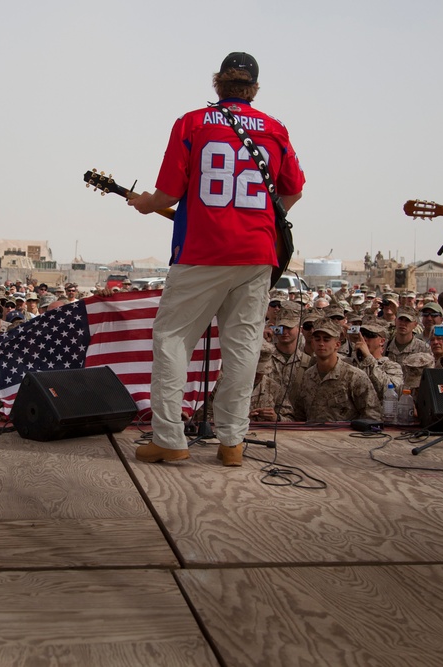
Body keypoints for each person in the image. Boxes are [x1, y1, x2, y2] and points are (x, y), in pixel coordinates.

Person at [128, 51, 305, 466]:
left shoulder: (191, 123)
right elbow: (293, 191)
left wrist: (145, 204)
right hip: (256, 252)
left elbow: (169, 195)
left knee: (172, 340)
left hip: (201, 252)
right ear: (254, 89)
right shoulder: (276, 130)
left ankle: (170, 439)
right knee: (242, 347)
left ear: (217, 85)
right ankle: (232, 443)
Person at [292, 318, 381, 423]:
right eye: (317, 339)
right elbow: (300, 416)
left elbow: (373, 417)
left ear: (337, 345)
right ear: (312, 343)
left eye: (326, 339)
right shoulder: (308, 376)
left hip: (345, 437)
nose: (321, 343)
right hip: (310, 436)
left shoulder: (355, 377)